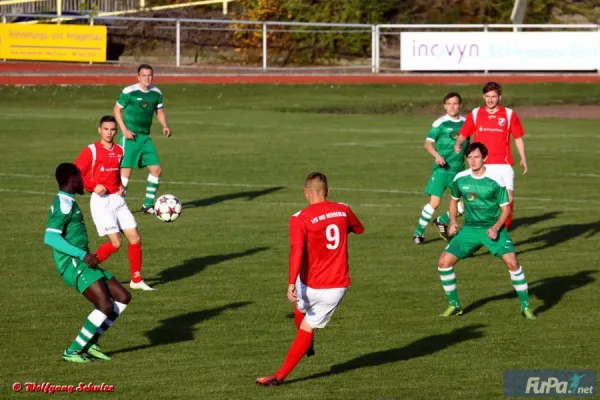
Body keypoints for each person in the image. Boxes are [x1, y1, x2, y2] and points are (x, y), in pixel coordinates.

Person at [256, 172, 365, 386]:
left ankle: (279, 376)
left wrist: (290, 282)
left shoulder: (299, 217)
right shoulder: (343, 209)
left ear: (306, 193)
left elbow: (296, 250)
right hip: (335, 287)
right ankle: (306, 342)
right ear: (328, 191)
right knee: (304, 316)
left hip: (308, 283)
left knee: (304, 322)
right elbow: (359, 229)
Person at [44, 163, 133, 363]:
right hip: (73, 263)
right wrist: (81, 254)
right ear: (73, 180)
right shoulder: (63, 205)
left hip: (82, 260)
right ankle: (72, 351)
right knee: (105, 305)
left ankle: (91, 342)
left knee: (123, 296)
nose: (83, 181)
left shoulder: (68, 201)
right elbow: (50, 238)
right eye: (81, 177)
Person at [436, 142, 535, 320]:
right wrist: (452, 221)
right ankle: (454, 305)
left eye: (476, 157)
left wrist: (496, 227)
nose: (473, 161)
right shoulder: (461, 178)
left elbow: (506, 210)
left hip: (493, 228)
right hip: (470, 229)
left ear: (485, 159)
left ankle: (525, 307)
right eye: (470, 157)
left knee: (512, 263)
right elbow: (453, 201)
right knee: (443, 263)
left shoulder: (496, 179)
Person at [74, 115, 155, 291]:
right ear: (99, 130)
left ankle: (136, 279)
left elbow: (116, 174)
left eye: (112, 129)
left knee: (135, 239)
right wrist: (93, 186)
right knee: (116, 243)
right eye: (106, 129)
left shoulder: (119, 150)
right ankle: (85, 268)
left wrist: (120, 187)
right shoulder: (91, 150)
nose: (109, 132)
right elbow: (76, 173)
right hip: (101, 203)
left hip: (117, 200)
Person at [454, 81, 528, 229]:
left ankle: (501, 229)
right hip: (482, 164)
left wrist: (523, 158)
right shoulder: (476, 113)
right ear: (483, 96)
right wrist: (459, 143)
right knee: (476, 197)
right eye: (487, 96)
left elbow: (518, 138)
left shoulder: (508, 114)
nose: (490, 99)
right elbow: (464, 132)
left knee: (508, 198)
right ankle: (451, 218)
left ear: (500, 97)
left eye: (493, 96)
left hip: (503, 163)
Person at [113, 63, 171, 214]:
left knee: (156, 170)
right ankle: (118, 206)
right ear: (138, 77)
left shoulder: (156, 93)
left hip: (145, 138)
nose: (147, 78)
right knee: (126, 174)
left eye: (150, 75)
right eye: (144, 75)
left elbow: (159, 111)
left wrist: (164, 125)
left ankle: (148, 205)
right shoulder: (129, 92)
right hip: (130, 137)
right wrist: (124, 131)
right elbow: (117, 110)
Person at [413, 92, 468, 244]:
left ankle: (442, 220)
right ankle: (419, 233)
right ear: (444, 106)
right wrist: (437, 156)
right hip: (442, 170)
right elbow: (428, 144)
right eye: (449, 103)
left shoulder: (467, 123)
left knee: (467, 205)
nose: (452, 106)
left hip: (459, 171)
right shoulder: (440, 123)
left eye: (455, 103)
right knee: (435, 202)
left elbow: (469, 146)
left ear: (460, 105)